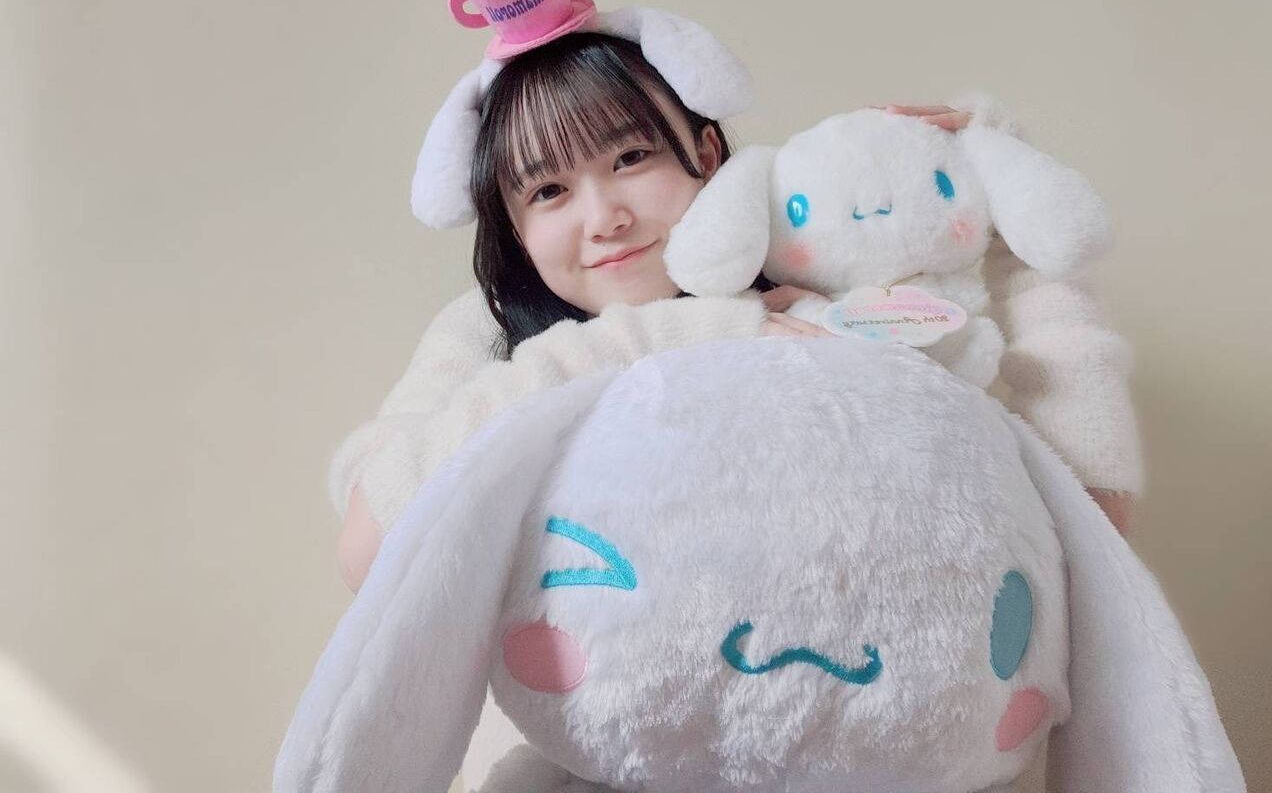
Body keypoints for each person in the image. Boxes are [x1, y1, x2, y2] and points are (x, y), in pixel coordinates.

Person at [330, 30, 1142, 593]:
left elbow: (1090, 520)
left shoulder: (814, 302)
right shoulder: (488, 332)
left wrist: (1004, 211)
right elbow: (368, 550)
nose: (604, 216)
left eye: (631, 156)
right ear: (514, 226)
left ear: (707, 154)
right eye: (547, 191)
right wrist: (677, 334)